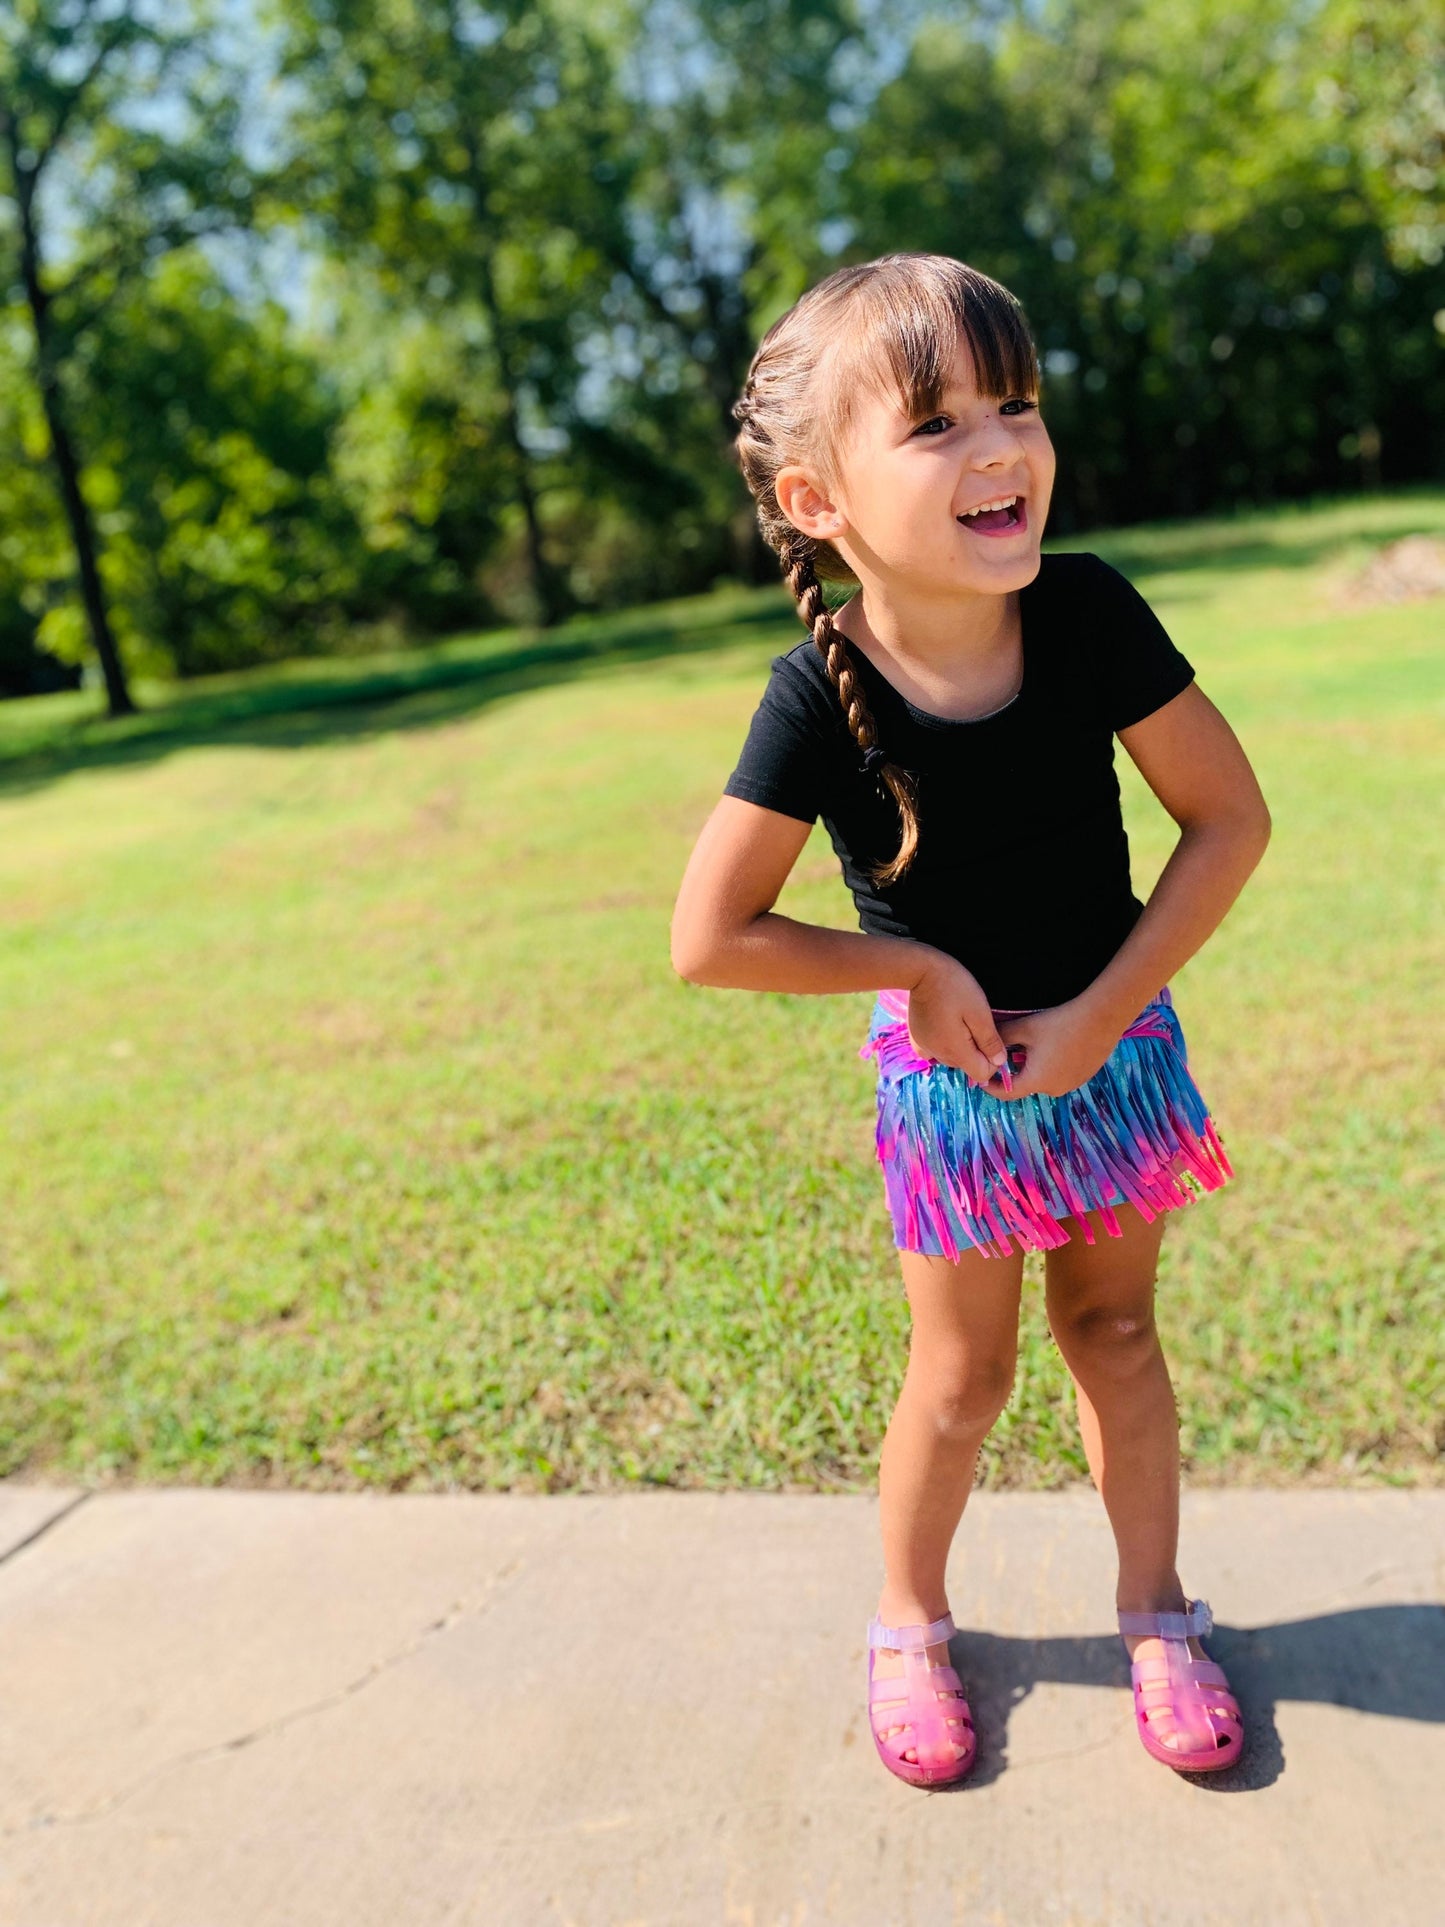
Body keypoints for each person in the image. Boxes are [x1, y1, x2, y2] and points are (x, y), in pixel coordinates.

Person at [670, 253, 1272, 1787]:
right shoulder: (816, 692)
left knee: (1115, 1332)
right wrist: (914, 976)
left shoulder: (1086, 615)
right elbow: (708, 939)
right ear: (818, 502)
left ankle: (1154, 1616)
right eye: (936, 425)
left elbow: (1225, 823)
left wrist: (1091, 1016)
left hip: (1113, 1048)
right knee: (962, 1378)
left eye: (1016, 404)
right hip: (949, 1085)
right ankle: (907, 1625)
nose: (999, 446)